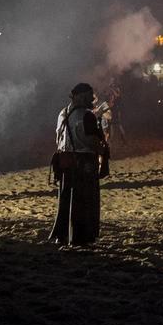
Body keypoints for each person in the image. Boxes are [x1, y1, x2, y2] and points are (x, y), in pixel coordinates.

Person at [51, 82, 110, 247]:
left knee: (66, 199)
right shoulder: (87, 115)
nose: (92, 99)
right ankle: (80, 237)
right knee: (84, 201)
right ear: (81, 96)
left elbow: (57, 138)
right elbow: (92, 141)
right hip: (84, 163)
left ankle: (62, 235)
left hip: (65, 162)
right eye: (89, 95)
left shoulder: (62, 113)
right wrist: (101, 148)